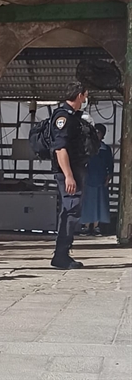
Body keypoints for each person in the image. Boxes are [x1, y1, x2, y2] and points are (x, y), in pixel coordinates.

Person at [49, 82, 90, 270]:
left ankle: (63, 253)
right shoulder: (63, 116)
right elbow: (60, 148)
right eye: (85, 96)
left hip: (75, 168)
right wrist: (68, 175)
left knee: (72, 210)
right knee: (71, 210)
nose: (86, 99)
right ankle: (61, 255)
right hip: (69, 171)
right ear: (79, 95)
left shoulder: (73, 116)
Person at [80, 124, 114, 237]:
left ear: (103, 135)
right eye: (95, 132)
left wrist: (108, 177)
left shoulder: (105, 149)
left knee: (99, 203)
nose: (97, 135)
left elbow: (110, 164)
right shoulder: (85, 146)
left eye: (99, 133)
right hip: (87, 179)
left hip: (100, 179)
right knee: (87, 203)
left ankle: (96, 226)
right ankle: (85, 226)